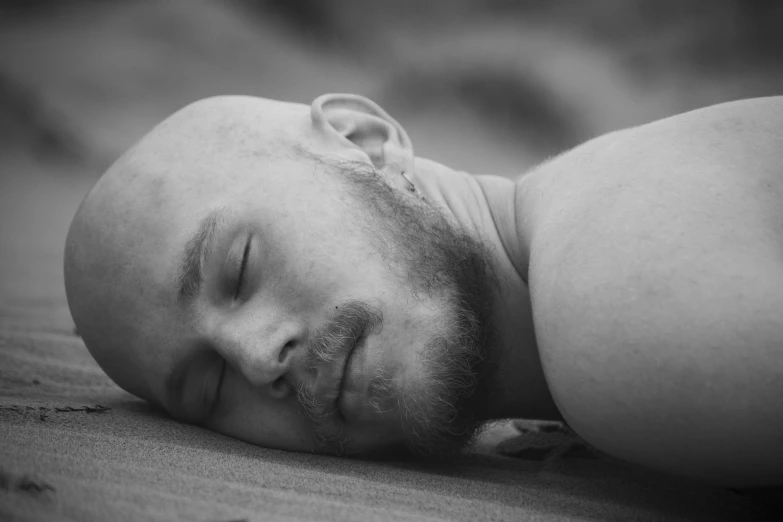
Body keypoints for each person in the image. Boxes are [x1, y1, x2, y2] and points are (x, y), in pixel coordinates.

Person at [63, 93, 783, 488]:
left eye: (239, 267)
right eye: (210, 388)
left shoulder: (609, 311)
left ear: (365, 142)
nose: (258, 358)